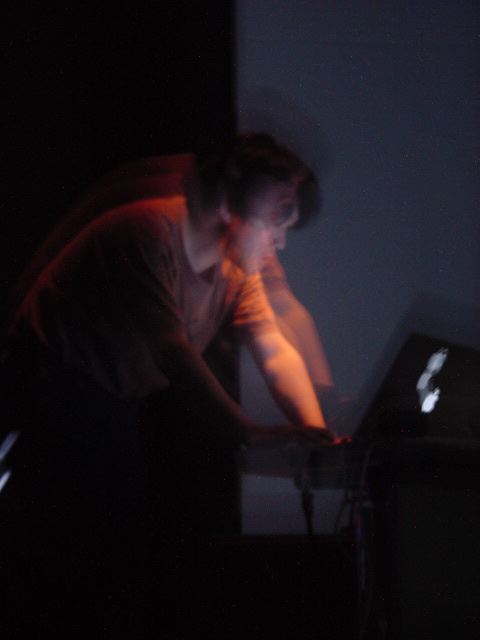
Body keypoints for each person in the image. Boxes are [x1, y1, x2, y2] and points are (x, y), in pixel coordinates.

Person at [0, 132, 337, 632]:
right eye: (275, 224)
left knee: (117, 558)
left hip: (108, 404)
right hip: (43, 392)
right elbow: (172, 352)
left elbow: (273, 347)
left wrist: (315, 435)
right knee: (68, 565)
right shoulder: (147, 233)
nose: (280, 242)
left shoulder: (237, 268)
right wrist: (248, 433)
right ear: (229, 209)